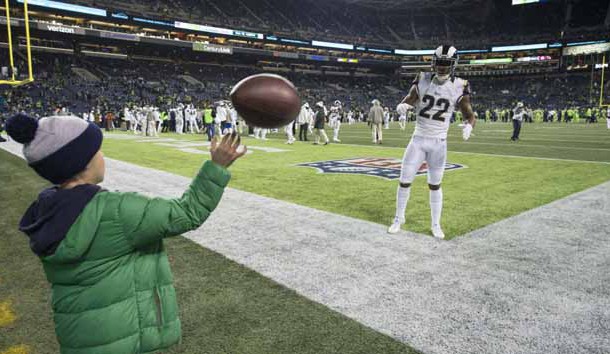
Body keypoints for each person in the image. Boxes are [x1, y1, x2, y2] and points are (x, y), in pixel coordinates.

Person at [5, 113, 246, 354]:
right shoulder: (116, 211)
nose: (102, 156)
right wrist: (217, 167)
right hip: (125, 338)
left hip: (80, 337)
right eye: (97, 150)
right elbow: (188, 212)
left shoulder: (44, 210)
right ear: (82, 161)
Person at [388, 45, 476, 239]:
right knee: (404, 181)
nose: (442, 67)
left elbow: (469, 114)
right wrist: (403, 107)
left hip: (439, 142)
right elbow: (409, 99)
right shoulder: (422, 78)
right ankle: (398, 218)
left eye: (446, 63)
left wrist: (470, 125)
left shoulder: (460, 85)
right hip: (418, 139)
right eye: (440, 62)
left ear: (453, 64)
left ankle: (436, 224)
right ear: (434, 62)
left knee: (435, 185)